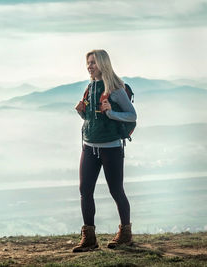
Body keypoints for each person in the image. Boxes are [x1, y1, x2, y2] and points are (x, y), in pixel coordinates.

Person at [72, 49, 137, 252]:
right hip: (89, 146)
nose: (89, 66)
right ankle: (89, 239)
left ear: (103, 64)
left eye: (93, 62)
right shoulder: (90, 87)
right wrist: (82, 113)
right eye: (88, 63)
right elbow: (93, 119)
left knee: (116, 190)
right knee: (85, 191)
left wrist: (112, 112)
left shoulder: (116, 88)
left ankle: (125, 234)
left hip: (111, 148)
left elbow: (132, 116)